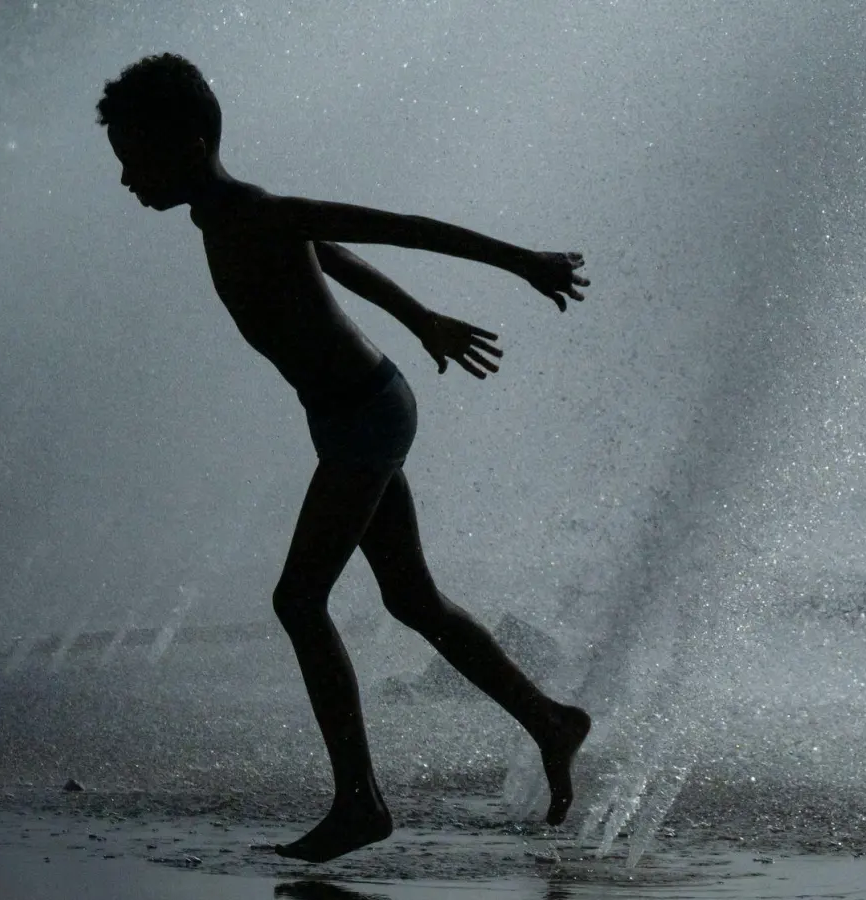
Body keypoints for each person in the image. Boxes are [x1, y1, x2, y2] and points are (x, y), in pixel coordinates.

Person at [94, 53, 592, 864]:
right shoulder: (215, 217)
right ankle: (550, 720)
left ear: (187, 144)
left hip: (368, 418)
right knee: (413, 599)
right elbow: (333, 256)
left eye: (133, 157)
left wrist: (522, 262)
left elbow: (397, 227)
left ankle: (360, 803)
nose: (125, 179)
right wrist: (421, 315)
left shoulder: (252, 211)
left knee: (298, 600)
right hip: (347, 419)